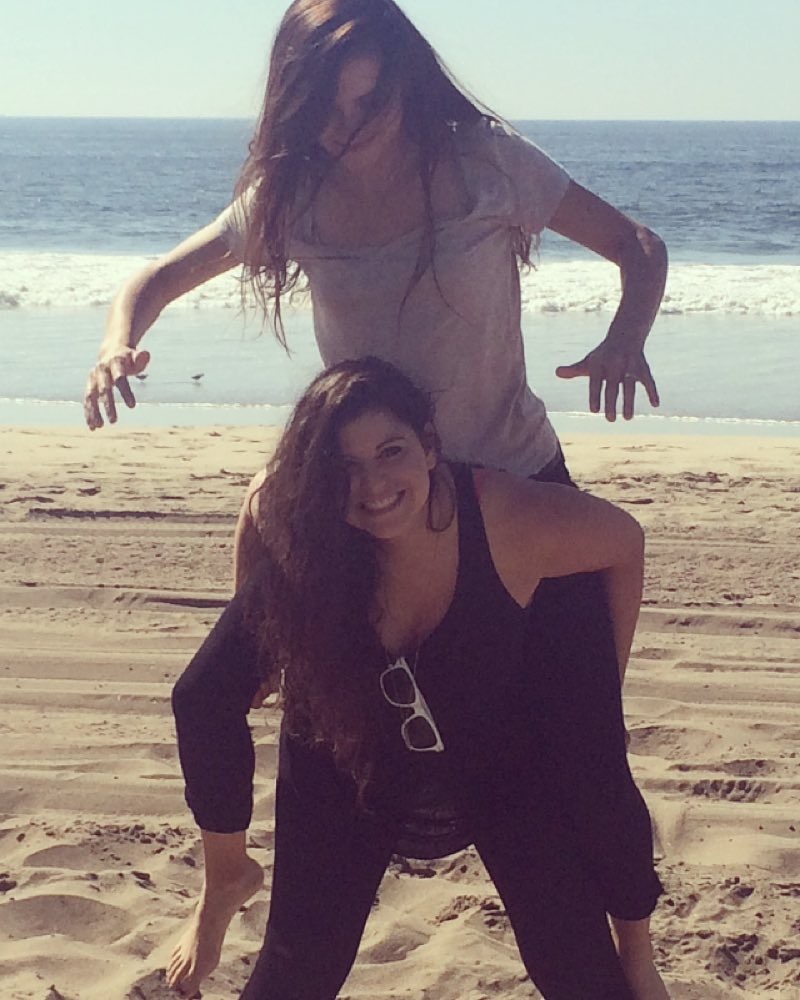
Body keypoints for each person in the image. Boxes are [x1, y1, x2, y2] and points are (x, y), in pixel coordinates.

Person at [168, 357, 668, 999]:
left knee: (582, 959)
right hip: (348, 757)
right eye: (344, 466)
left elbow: (624, 541)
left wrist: (604, 682)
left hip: (501, 760)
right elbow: (204, 695)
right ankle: (225, 884)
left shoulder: (507, 521)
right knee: (296, 973)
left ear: (429, 448)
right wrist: (270, 649)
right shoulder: (309, 536)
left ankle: (638, 958)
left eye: (390, 452)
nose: (372, 484)